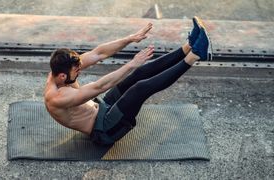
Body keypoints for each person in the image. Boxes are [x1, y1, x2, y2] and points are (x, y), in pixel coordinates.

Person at [44, 16, 211, 145]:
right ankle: (196, 55)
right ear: (62, 77)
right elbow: (100, 86)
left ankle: (188, 46)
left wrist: (130, 38)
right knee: (139, 88)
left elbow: (98, 53)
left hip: (102, 107)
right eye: (77, 70)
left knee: (139, 74)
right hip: (105, 128)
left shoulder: (62, 68)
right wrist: (131, 63)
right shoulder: (57, 97)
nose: (79, 71)